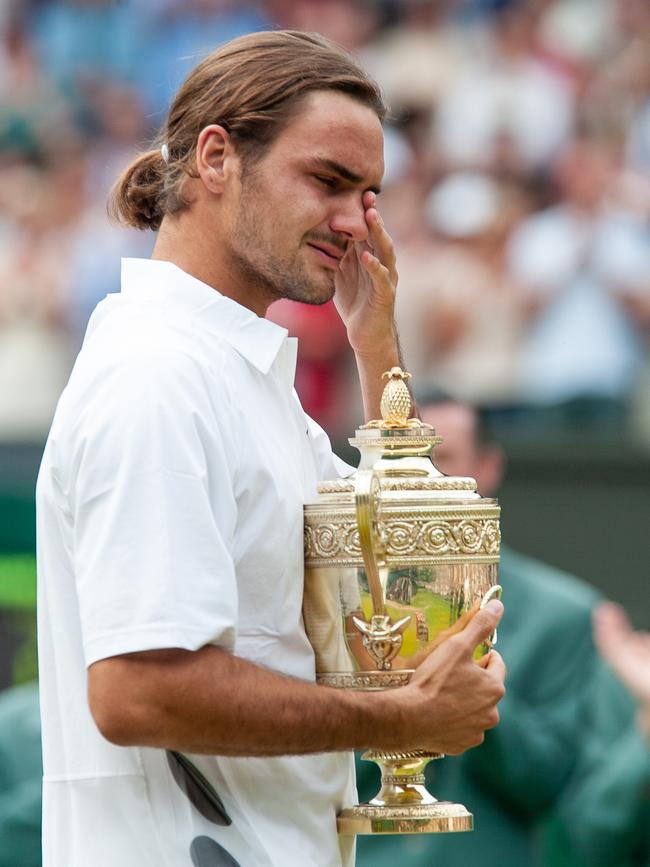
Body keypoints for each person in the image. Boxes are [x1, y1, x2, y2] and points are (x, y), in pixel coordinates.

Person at [36, 31, 506, 867]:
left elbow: (395, 567)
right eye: (328, 180)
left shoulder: (236, 374)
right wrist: (397, 719)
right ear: (216, 158)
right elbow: (140, 688)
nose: (356, 222)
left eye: (370, 194)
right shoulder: (157, 373)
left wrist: (377, 345)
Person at [355, 396, 614, 867]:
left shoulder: (564, 615)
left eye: (443, 459)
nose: (423, 480)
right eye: (405, 463)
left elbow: (552, 784)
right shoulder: (344, 603)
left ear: (488, 466)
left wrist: (469, 686)